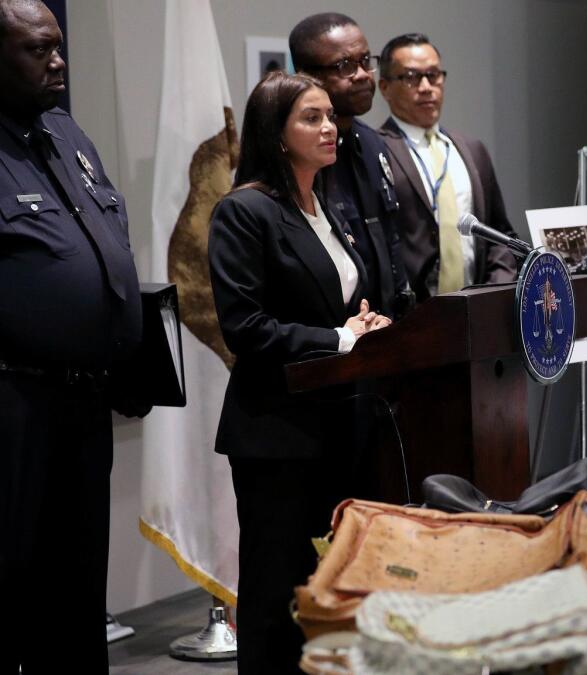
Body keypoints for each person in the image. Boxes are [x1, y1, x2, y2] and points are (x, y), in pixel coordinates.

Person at [208, 71, 390, 672]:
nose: (329, 127)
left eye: (330, 116)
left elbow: (332, 302)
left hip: (341, 425)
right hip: (276, 433)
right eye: (311, 118)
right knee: (275, 588)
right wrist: (339, 337)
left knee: (331, 582)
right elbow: (246, 328)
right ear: (277, 134)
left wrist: (360, 326)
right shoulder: (245, 211)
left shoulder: (326, 205)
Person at [0, 1, 144, 671]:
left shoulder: (64, 133)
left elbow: (106, 241)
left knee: (80, 589)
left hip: (84, 403)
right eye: (37, 50)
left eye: (58, 47)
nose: (58, 62)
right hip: (14, 405)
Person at [377, 32, 519, 301]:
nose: (426, 86)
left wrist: (493, 291)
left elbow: (500, 233)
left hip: (476, 310)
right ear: (384, 87)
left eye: (433, 75)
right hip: (412, 318)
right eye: (411, 77)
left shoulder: (471, 149)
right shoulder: (376, 150)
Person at [289, 12, 411, 319]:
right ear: (305, 74)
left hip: (387, 332)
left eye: (365, 60)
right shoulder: (298, 160)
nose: (362, 74)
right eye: (345, 66)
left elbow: (389, 240)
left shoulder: (373, 144)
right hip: (334, 340)